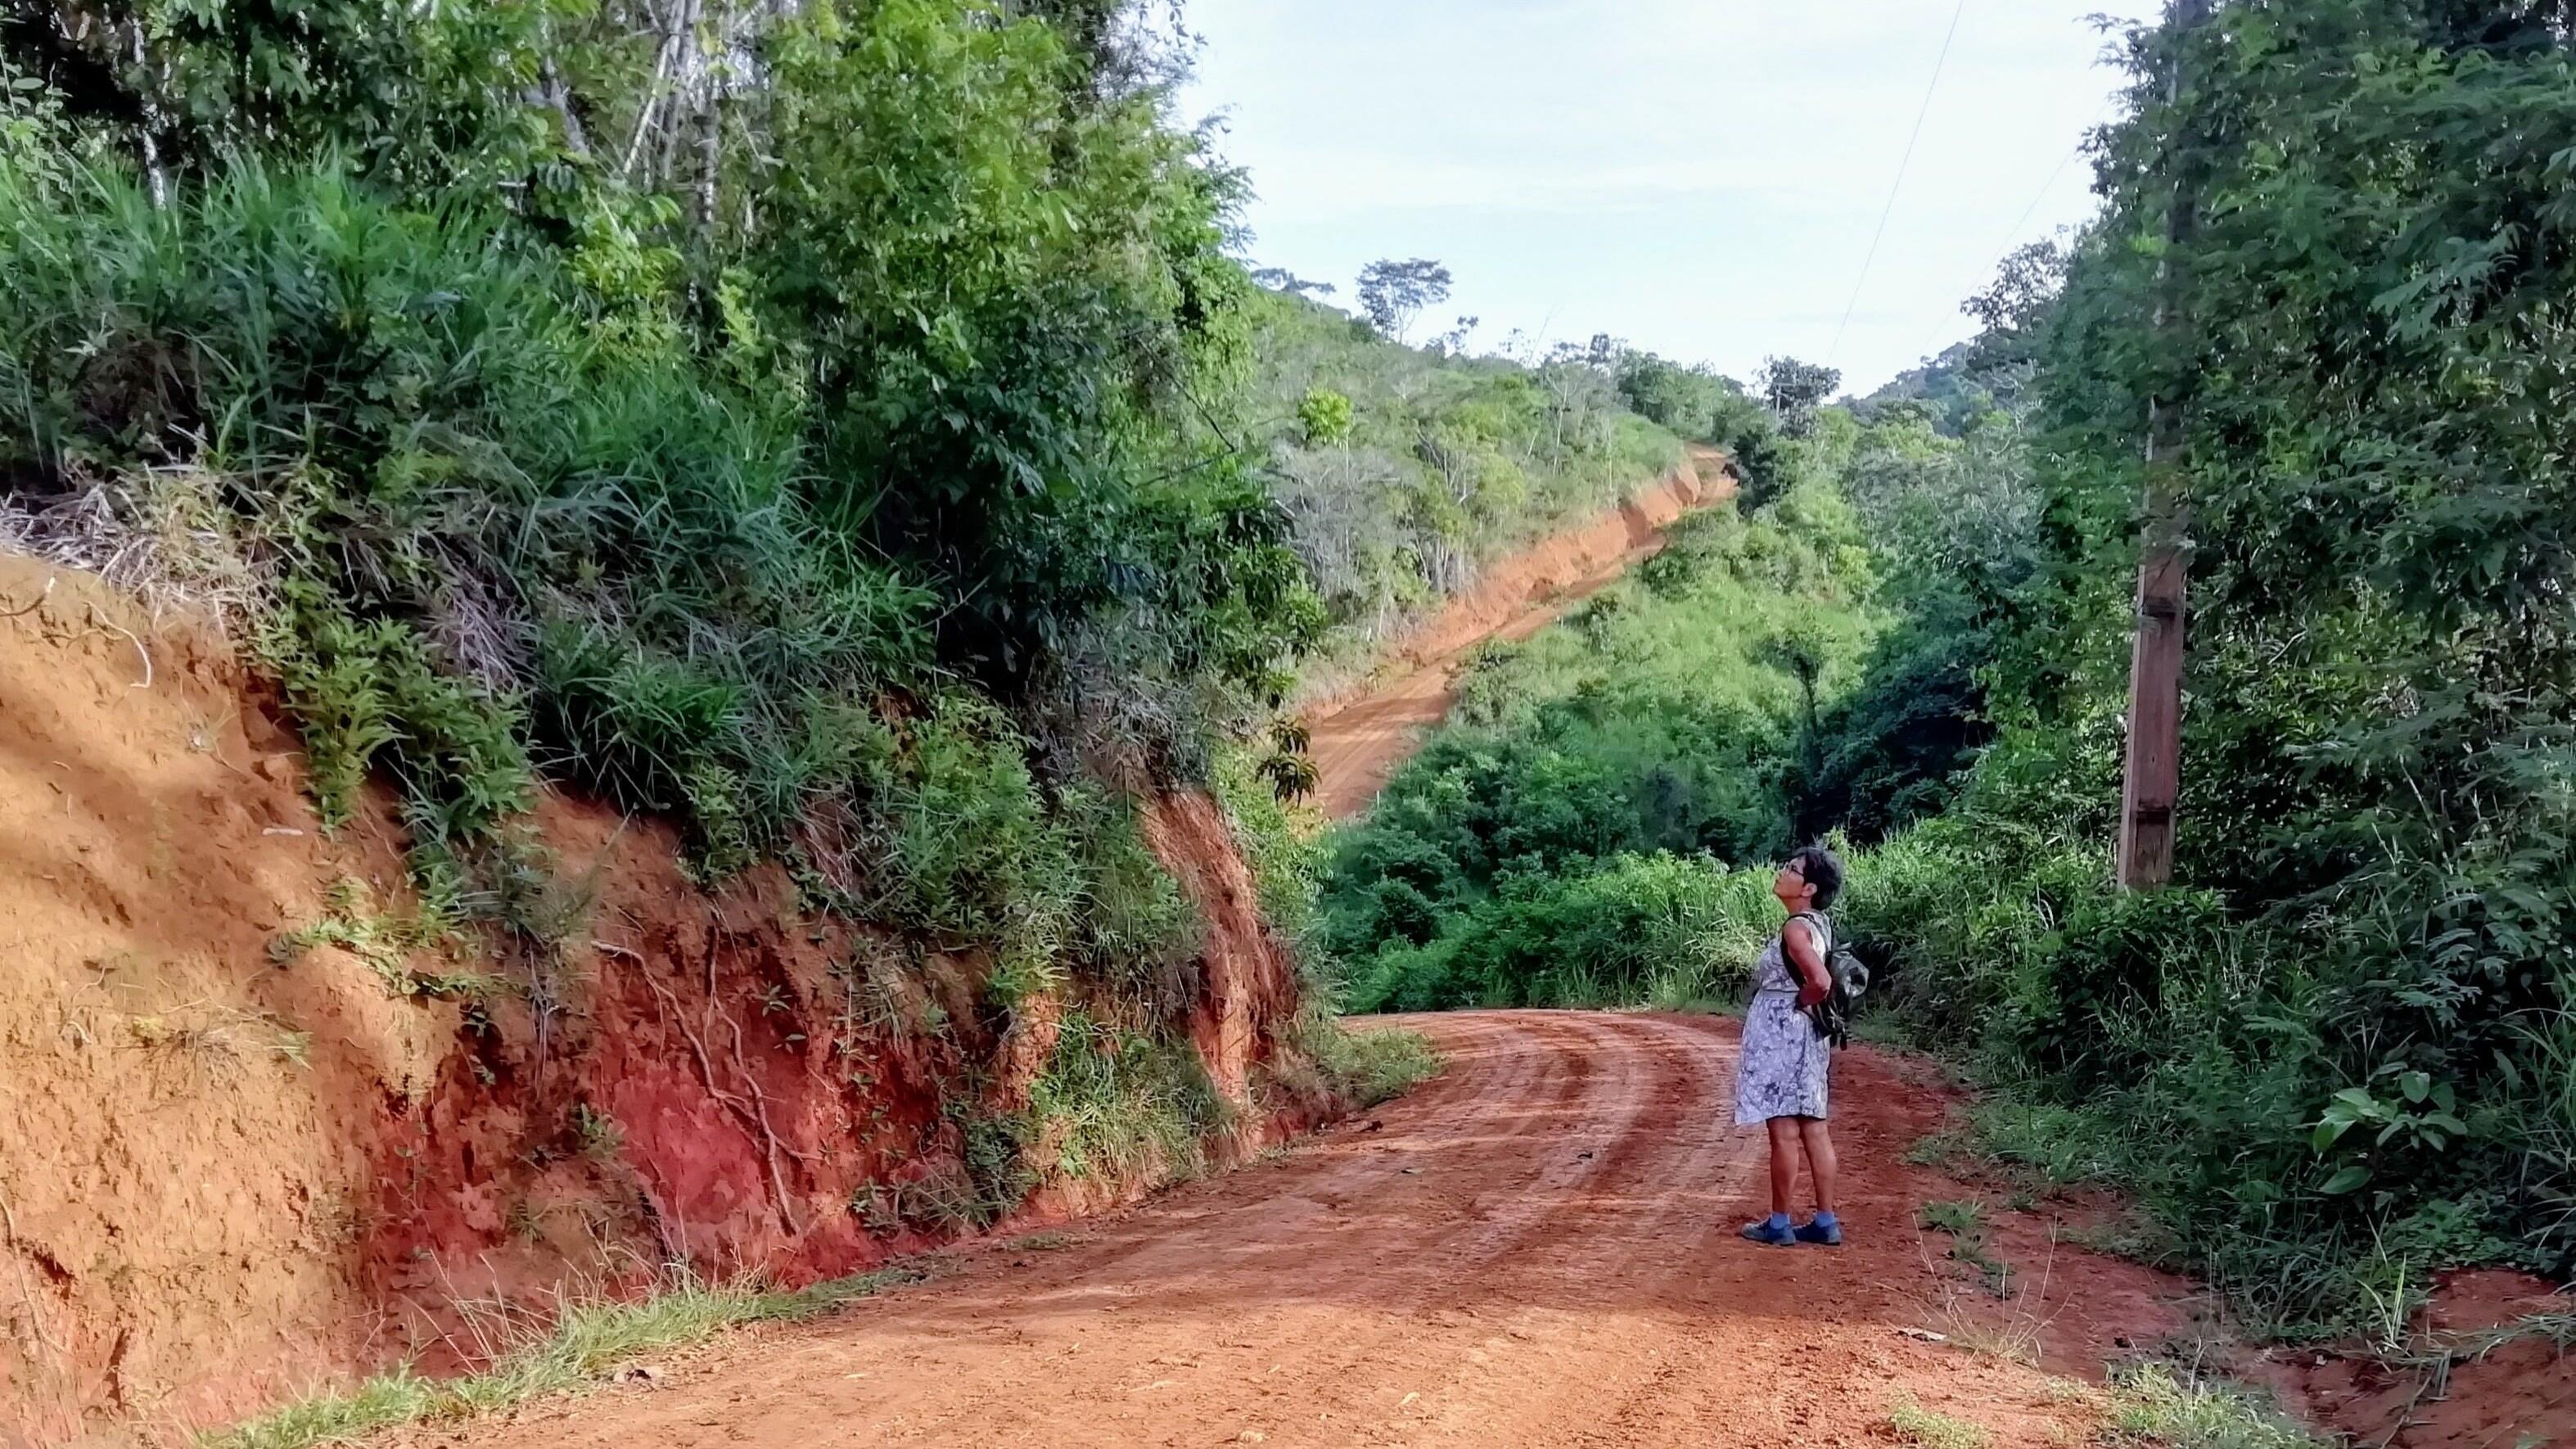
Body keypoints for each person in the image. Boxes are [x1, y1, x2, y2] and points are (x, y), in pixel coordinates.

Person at [1735, 844, 1843, 1247]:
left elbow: (1821, 982)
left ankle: (1780, 1223)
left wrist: (1798, 1003)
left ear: (1809, 888)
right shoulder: (1818, 924)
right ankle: (1825, 1221)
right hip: (1809, 1037)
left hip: (1784, 1036)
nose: (1783, 872)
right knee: (1814, 1126)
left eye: (1793, 869)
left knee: (1782, 1130)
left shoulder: (1795, 928)